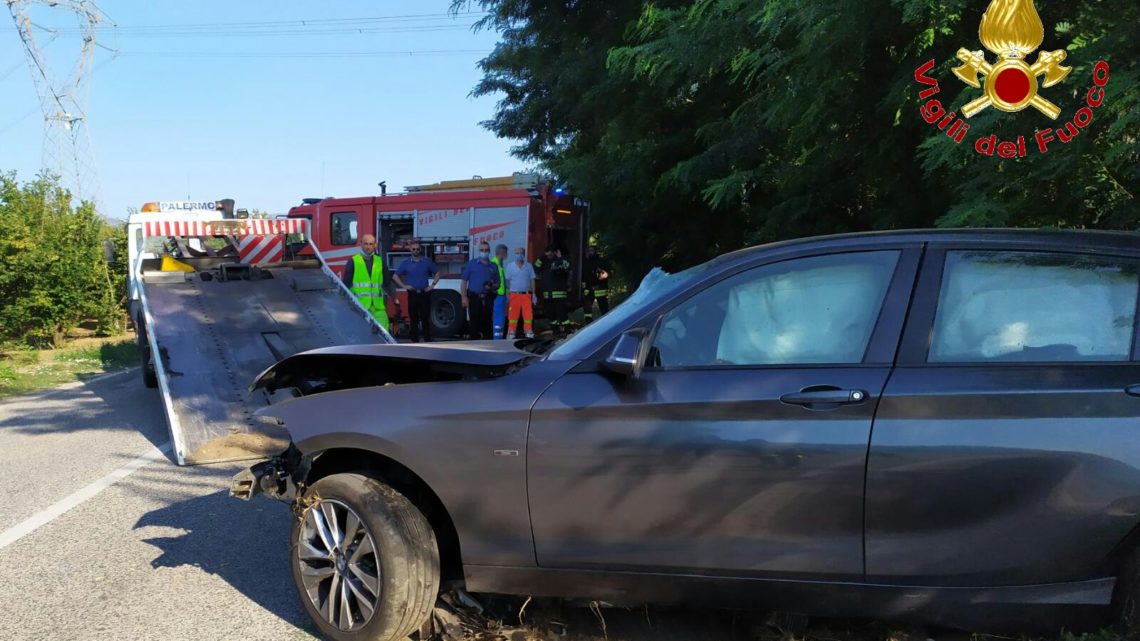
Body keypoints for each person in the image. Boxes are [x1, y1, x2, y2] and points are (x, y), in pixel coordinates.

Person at [342, 234, 396, 331]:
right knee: (361, 336)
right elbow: (345, 285)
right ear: (361, 244)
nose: (368, 247)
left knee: (383, 337)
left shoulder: (380, 261)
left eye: (371, 244)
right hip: (359, 308)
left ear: (375, 245)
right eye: (366, 244)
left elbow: (387, 283)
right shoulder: (353, 261)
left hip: (378, 308)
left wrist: (395, 299)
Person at [393, 240, 440, 343]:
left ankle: (427, 338)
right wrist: (404, 286)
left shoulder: (426, 261)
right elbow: (395, 276)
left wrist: (432, 286)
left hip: (424, 293)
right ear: (410, 250)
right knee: (413, 317)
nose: (416, 251)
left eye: (418, 249)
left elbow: (437, 273)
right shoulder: (405, 263)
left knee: (425, 317)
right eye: (413, 249)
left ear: (420, 250)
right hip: (413, 294)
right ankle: (414, 339)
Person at [459, 241, 500, 340]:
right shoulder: (472, 264)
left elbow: (498, 284)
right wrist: (464, 297)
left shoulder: (493, 266)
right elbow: (464, 281)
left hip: (488, 298)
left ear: (489, 251)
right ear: (479, 251)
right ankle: (474, 346)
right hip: (474, 298)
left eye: (486, 250)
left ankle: (488, 348)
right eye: (482, 250)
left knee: (487, 324)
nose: (484, 252)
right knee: (474, 324)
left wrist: (492, 287)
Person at [535, 245, 572, 335]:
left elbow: (567, 266)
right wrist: (543, 256)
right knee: (550, 314)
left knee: (562, 314)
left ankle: (568, 331)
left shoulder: (562, 260)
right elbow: (536, 267)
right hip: (548, 295)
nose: (549, 256)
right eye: (547, 255)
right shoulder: (544, 261)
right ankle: (556, 331)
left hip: (560, 294)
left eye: (550, 254)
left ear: (556, 252)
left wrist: (560, 258)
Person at [505, 247, 537, 338]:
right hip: (514, 294)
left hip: (526, 295)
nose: (519, 255)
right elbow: (507, 281)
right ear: (514, 254)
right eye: (517, 253)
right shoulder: (510, 266)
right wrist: (508, 292)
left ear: (524, 254)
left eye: (521, 253)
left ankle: (528, 331)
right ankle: (511, 331)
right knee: (513, 315)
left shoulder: (528, 266)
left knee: (528, 315)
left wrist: (533, 294)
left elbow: (532, 280)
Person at [582, 245, 613, 322]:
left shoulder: (602, 261)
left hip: (600, 289)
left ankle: (607, 324)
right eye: (588, 251)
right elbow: (583, 277)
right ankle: (589, 324)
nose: (590, 252)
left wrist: (606, 274)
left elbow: (611, 272)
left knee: (604, 310)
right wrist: (583, 288)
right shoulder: (585, 263)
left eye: (592, 250)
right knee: (587, 310)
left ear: (596, 251)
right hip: (589, 290)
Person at [491, 244, 509, 339]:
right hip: (497, 296)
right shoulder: (494, 264)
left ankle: (499, 338)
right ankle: (497, 340)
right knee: (498, 320)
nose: (506, 255)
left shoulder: (499, 264)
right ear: (502, 253)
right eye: (506, 253)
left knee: (501, 319)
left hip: (501, 296)